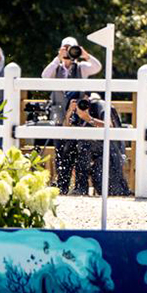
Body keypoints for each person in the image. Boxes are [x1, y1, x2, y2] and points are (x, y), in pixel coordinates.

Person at [41, 36, 102, 195]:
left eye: (71, 49)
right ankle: (62, 186)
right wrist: (57, 58)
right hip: (59, 113)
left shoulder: (81, 68)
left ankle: (80, 187)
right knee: (61, 150)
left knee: (80, 150)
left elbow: (97, 67)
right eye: (66, 48)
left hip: (77, 113)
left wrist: (84, 54)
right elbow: (44, 76)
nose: (69, 52)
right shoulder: (56, 68)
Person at [65, 92, 132, 196]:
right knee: (75, 145)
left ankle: (81, 187)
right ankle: (78, 187)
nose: (81, 103)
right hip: (92, 150)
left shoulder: (99, 105)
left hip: (111, 149)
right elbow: (66, 129)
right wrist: (69, 112)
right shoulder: (77, 110)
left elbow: (109, 126)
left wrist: (88, 118)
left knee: (112, 190)